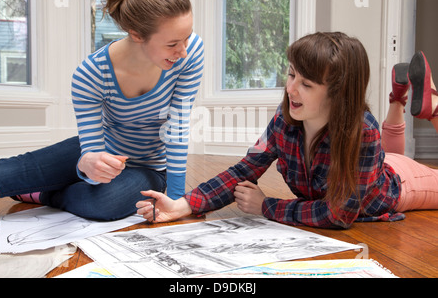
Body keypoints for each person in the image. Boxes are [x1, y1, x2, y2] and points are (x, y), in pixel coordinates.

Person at [137, 32, 438, 229]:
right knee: (387, 155)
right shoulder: (284, 121)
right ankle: (397, 98)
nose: (291, 89)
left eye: (306, 84)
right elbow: (245, 170)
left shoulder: (363, 132)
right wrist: (183, 205)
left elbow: (338, 214)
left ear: (339, 93)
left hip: (403, 185)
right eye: (292, 74)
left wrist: (266, 206)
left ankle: (432, 107)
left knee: (393, 159)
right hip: (378, 163)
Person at [0, 0, 204, 221]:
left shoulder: (191, 52)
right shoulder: (90, 74)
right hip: (100, 151)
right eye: (173, 44)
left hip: (150, 167)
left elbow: (177, 126)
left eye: (187, 36)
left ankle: (43, 194)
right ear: (136, 34)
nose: (184, 50)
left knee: (105, 203)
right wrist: (87, 164)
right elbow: (91, 150)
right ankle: (46, 183)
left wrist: (176, 200)